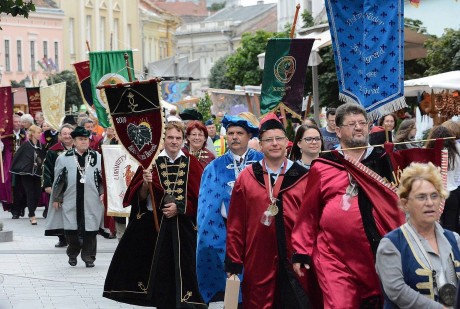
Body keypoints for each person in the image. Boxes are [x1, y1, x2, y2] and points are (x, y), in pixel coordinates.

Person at [292, 103, 403, 308]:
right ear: (338, 130)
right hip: (333, 254)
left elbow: (400, 203)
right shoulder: (324, 164)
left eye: (362, 123)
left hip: (376, 252)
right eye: (352, 124)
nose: (359, 127)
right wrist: (301, 250)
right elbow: (308, 213)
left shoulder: (383, 160)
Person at [103, 121, 207, 308]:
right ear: (163, 140)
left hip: (183, 229)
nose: (174, 142)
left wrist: (180, 208)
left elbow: (201, 198)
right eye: (170, 138)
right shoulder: (151, 163)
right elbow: (139, 199)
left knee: (186, 270)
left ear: (183, 140)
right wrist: (144, 183)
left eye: (178, 138)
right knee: (159, 272)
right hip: (155, 228)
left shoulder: (192, 163)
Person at [225, 113, 316, 308]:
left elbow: (312, 221)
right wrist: (233, 262)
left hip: (297, 260)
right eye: (269, 140)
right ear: (260, 144)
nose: (274, 143)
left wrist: (307, 254)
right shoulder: (247, 177)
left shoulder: (304, 177)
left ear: (287, 142)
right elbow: (236, 223)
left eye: (279, 139)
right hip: (257, 259)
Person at [196, 115, 263, 307]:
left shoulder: (261, 163)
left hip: (257, 234)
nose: (234, 137)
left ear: (248, 136)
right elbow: (206, 209)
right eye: (231, 133)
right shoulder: (214, 167)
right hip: (226, 234)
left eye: (239, 133)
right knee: (232, 288)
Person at [376, 162, 460, 308]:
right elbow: (397, 292)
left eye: (434, 196)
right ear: (405, 203)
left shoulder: (455, 239)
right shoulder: (391, 244)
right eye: (421, 197)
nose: (430, 203)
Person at [45, 126, 104, 268]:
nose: (84, 142)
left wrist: (102, 192)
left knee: (91, 229)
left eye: (86, 139)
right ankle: (72, 253)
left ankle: (89, 257)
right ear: (74, 141)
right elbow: (59, 180)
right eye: (81, 139)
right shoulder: (64, 158)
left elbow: (102, 179)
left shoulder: (97, 157)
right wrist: (57, 198)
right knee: (71, 229)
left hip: (92, 199)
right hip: (71, 199)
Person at [43, 124, 74, 247]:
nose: (67, 136)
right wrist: (47, 185)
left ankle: (74, 237)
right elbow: (47, 169)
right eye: (64, 133)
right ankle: (62, 238)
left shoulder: (80, 149)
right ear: (60, 136)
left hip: (74, 187)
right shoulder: (53, 151)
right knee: (59, 213)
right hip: (59, 187)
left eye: (69, 133)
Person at [425, 126, 460, 233]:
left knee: (436, 225)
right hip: (453, 191)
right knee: (452, 225)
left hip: (435, 192)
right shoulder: (457, 149)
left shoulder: (428, 151)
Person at [10, 125, 45, 224]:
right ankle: (32, 214)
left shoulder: (41, 146)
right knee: (30, 193)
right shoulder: (25, 145)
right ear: (33, 133)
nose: (40, 134)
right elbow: (19, 158)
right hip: (26, 174)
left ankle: (31, 211)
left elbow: (42, 159)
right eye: (38, 132)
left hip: (37, 174)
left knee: (37, 194)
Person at [0, 114, 26, 211]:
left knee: (22, 183)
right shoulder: (6, 134)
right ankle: (11, 204)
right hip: (9, 160)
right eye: (16, 122)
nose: (18, 123)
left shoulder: (24, 134)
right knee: (8, 180)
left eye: (19, 121)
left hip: (22, 161)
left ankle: (21, 206)